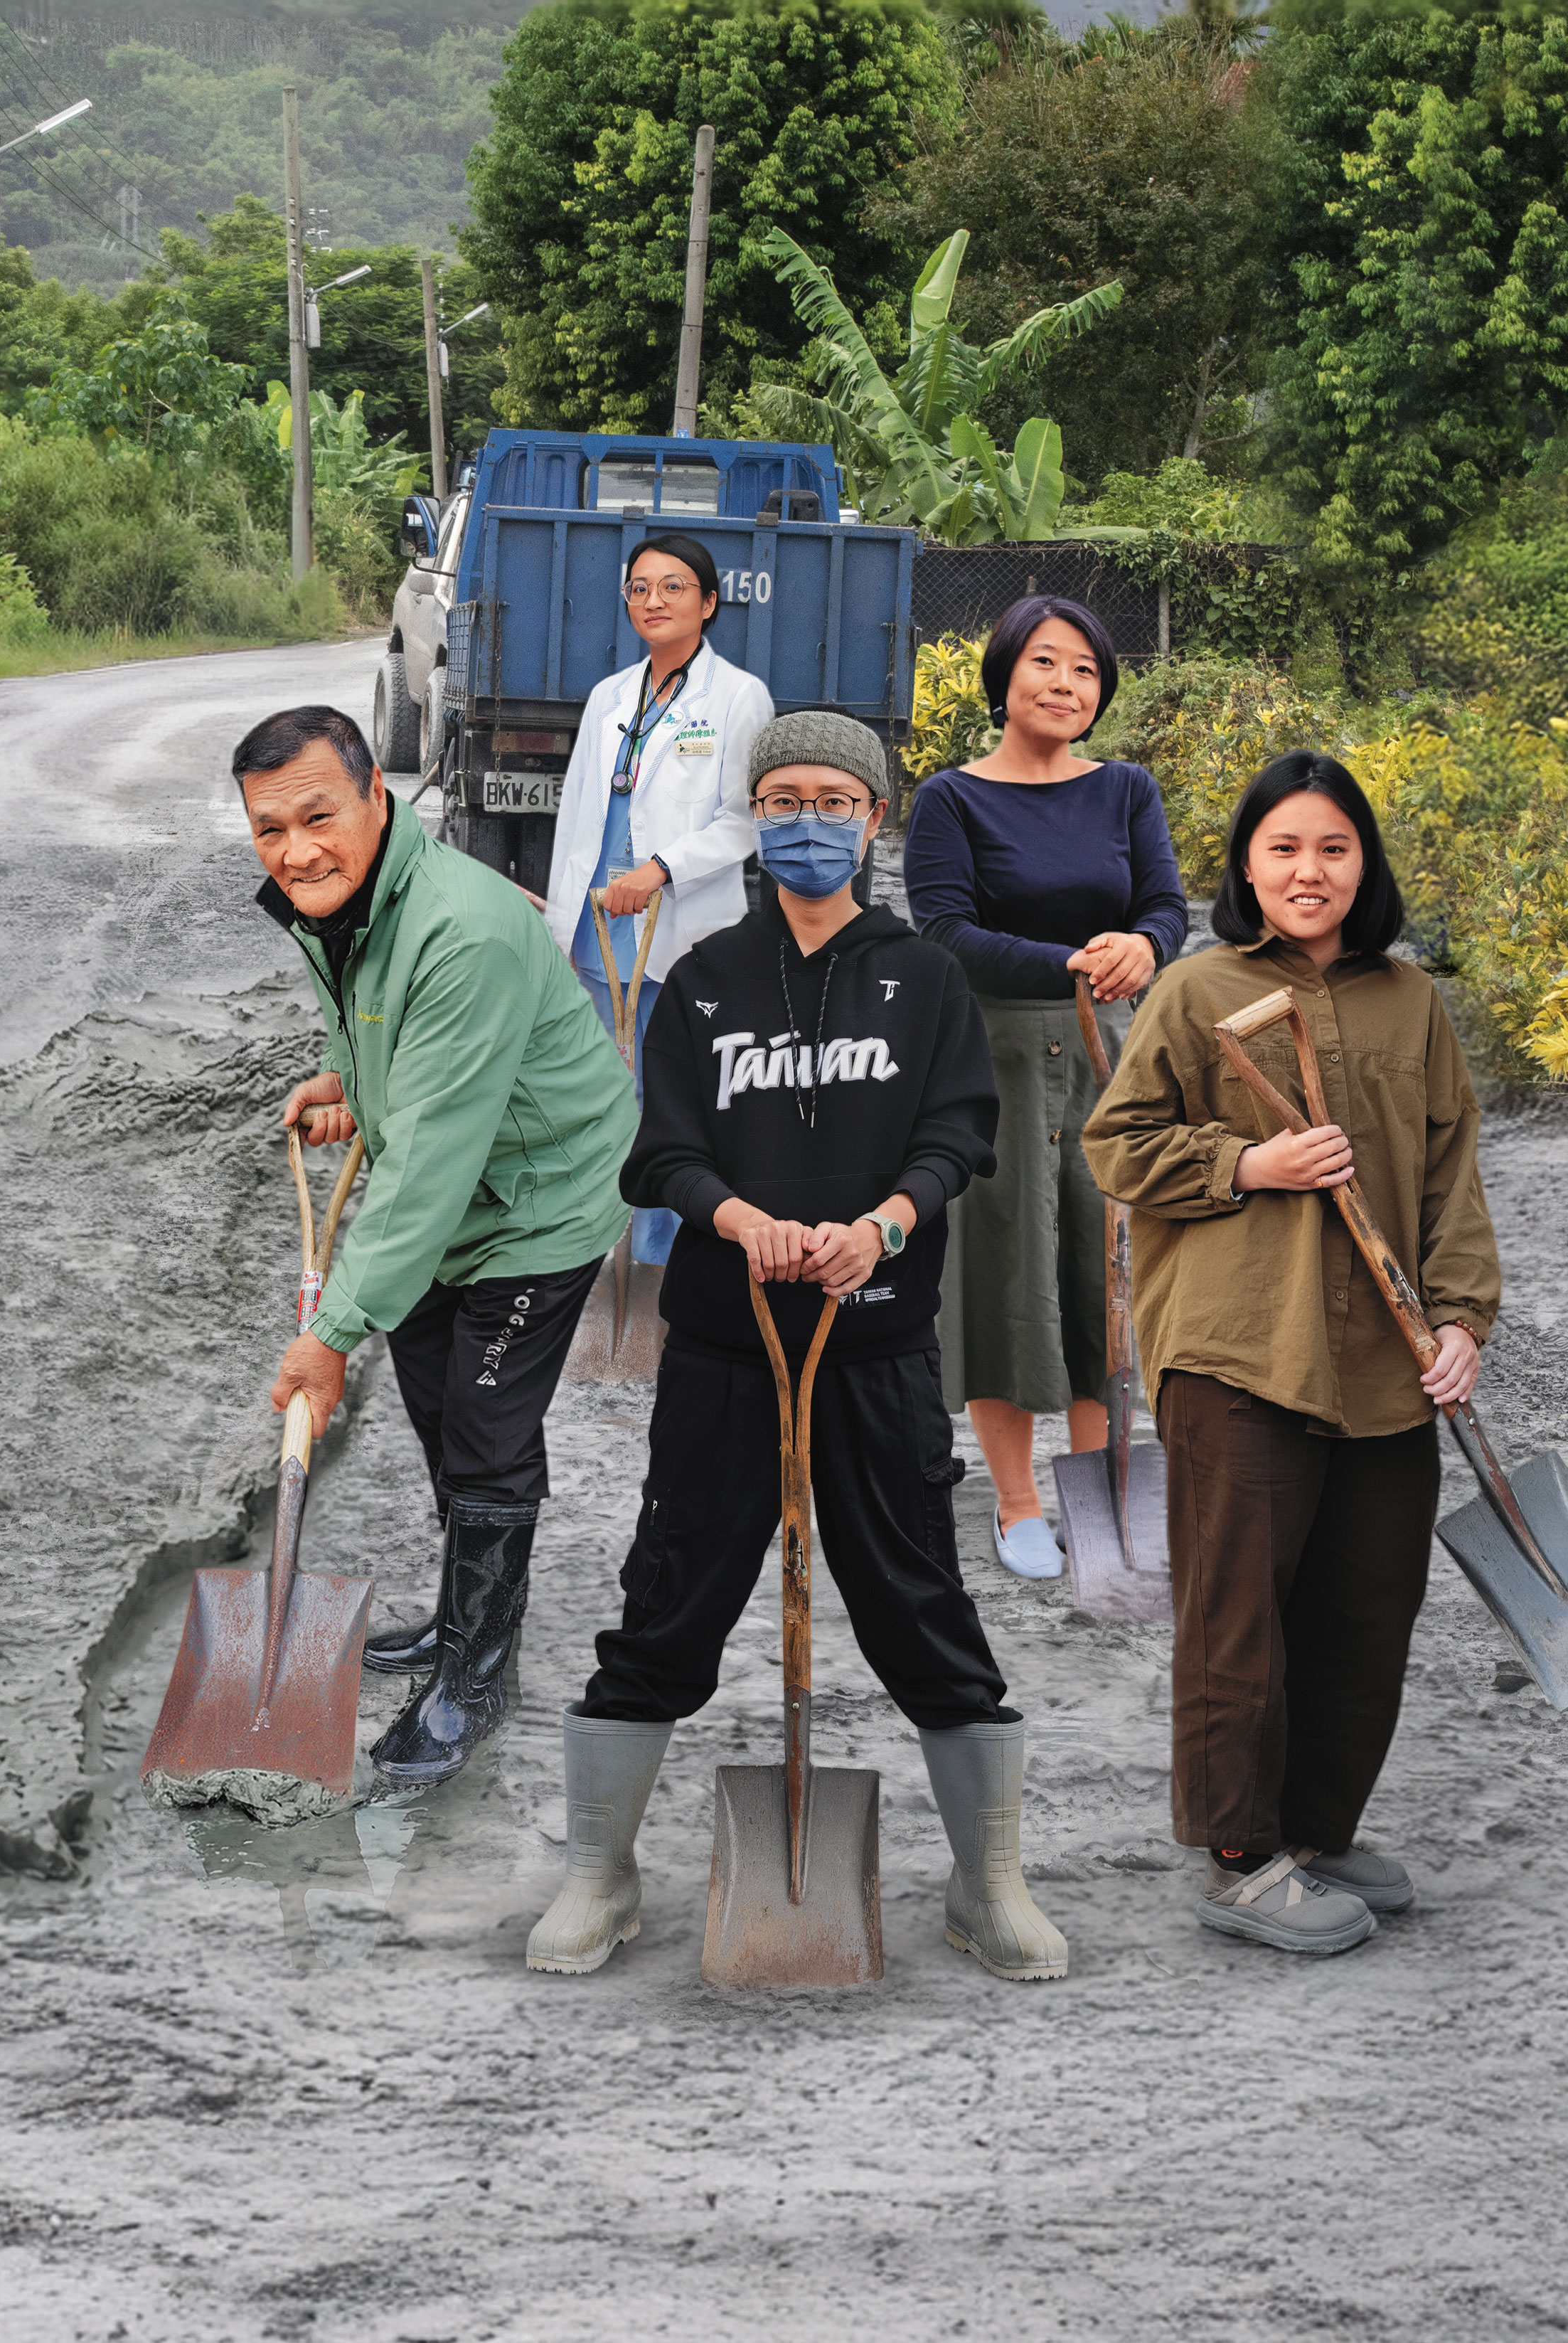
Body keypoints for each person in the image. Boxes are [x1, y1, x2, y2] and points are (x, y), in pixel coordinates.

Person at [525, 712, 1067, 1981]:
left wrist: (881, 1225)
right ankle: (599, 1873)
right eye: (780, 800)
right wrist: (737, 1218)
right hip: (726, 1347)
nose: (806, 820)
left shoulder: (926, 975)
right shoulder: (707, 977)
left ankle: (989, 1885)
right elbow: (658, 1147)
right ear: (753, 822)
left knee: (919, 1600)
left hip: (877, 1350)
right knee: (668, 1601)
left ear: (875, 818)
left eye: (833, 797)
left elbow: (959, 1135)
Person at [1082, 751, 1499, 1957]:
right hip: (1236, 1344)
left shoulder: (1408, 1001)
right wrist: (1246, 1163)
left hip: (1383, 1353)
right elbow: (1118, 1145)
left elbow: (1450, 1174)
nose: (1307, 870)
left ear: (1363, 862)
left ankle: (1315, 1828)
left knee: (1367, 1608)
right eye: (1282, 849)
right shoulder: (1197, 987)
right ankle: (1235, 1852)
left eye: (1331, 847)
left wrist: (1462, 1317)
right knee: (1239, 1610)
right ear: (1245, 866)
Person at [245, 704, 634, 1789]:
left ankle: (477, 1673)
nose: (296, 851)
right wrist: (347, 1081)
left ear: (377, 799)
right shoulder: (341, 898)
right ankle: (468, 1613)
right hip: (453, 1194)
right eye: (269, 831)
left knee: (487, 1419)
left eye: (318, 816)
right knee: (436, 1404)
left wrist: (327, 1335)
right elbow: (366, 1012)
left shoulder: (459, 928)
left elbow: (423, 1172)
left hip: (536, 1199)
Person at [903, 595, 1189, 1581]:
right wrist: (1071, 959)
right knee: (1005, 1267)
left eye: (1084, 670)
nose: (1065, 684)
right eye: (1044, 663)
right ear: (1003, 677)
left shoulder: (1125, 792)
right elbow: (942, 930)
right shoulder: (951, 798)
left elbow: (1163, 903)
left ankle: (1098, 1483)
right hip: (998, 1055)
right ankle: (1016, 1502)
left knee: (1105, 1271)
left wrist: (1144, 943)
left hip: (1115, 1056)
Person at [513, 535, 775, 1343]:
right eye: (638, 588)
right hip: (599, 928)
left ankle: (663, 1266)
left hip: (678, 926)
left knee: (671, 1102)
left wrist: (659, 870)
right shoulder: (608, 696)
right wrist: (560, 918)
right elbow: (579, 818)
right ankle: (598, 1260)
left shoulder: (739, 697)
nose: (652, 600)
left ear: (706, 603)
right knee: (599, 1100)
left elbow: (744, 821)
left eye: (672, 587)